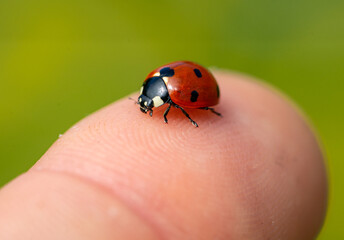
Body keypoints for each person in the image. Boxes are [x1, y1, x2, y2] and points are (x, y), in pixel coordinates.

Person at [0, 71, 327, 239]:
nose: (148, 107)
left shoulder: (173, 96)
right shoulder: (156, 89)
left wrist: (187, 112)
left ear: (159, 101)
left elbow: (185, 101)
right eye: (147, 103)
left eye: (150, 104)